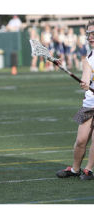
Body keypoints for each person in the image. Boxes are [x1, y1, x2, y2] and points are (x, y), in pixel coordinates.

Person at [56, 20, 94, 180]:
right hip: (89, 104)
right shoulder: (88, 58)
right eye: (88, 34)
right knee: (81, 140)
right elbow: (86, 77)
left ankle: (88, 170)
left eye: (93, 33)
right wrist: (85, 83)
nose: (90, 37)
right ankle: (75, 169)